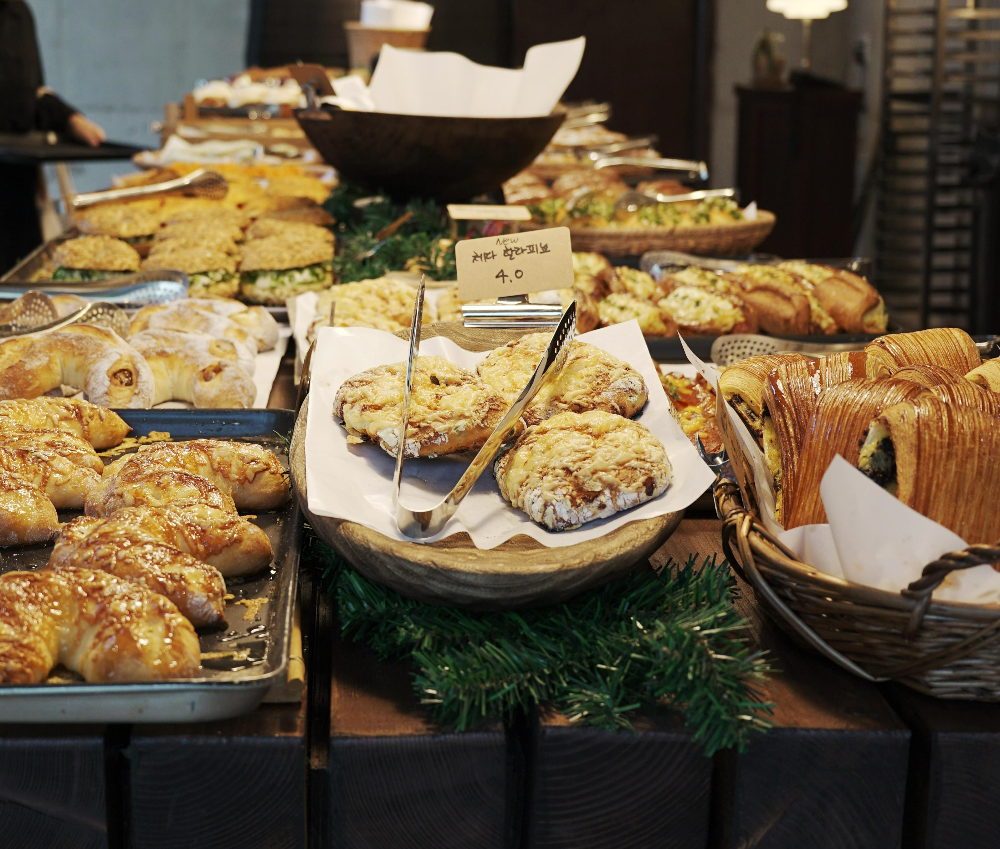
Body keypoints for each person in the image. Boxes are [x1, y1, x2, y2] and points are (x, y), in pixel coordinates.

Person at [0, 0, 106, 272]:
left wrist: (68, 118)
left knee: (23, 279)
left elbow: (30, 93)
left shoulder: (16, 11)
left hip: (17, 192)